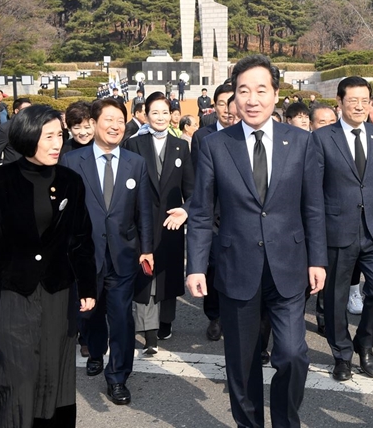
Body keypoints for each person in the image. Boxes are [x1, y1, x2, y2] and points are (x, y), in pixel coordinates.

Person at [186, 54, 327, 428]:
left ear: (276, 94)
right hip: (236, 268)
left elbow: (313, 207)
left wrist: (318, 260)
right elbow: (201, 212)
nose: (251, 99)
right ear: (234, 96)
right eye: (243, 90)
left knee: (294, 354)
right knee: (242, 363)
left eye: (260, 90)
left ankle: (285, 421)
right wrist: (196, 266)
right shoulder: (216, 145)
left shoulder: (301, 142)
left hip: (290, 266)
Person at [0, 105, 96, 427]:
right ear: (27, 136)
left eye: (58, 136)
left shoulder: (70, 181)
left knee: (55, 371)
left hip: (57, 292)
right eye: (47, 137)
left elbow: (80, 239)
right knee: (16, 373)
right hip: (14, 292)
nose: (56, 144)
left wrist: (87, 286)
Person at [60, 98, 154, 405]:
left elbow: (144, 212)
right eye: (108, 120)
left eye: (119, 121)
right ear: (94, 123)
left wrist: (147, 248)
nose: (114, 126)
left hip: (124, 254)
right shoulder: (73, 162)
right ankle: (95, 351)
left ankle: (118, 377)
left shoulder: (135, 162)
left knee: (122, 317)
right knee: (90, 312)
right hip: (85, 255)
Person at [312, 76, 373, 382]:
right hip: (337, 231)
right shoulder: (322, 138)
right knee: (335, 298)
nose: (359, 106)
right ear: (340, 103)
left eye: (364, 100)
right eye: (353, 101)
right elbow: (314, 192)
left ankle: (365, 343)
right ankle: (342, 355)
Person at [124, 92, 194, 351]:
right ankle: (149, 331)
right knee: (146, 273)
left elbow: (191, 187)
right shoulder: (134, 144)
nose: (161, 117)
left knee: (167, 274)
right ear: (145, 114)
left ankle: (166, 319)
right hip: (142, 220)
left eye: (165, 112)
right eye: (155, 112)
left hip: (171, 223)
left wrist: (186, 211)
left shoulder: (181, 146)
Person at [189, 82, 233, 341]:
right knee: (213, 268)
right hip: (214, 218)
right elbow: (199, 183)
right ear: (213, 108)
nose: (228, 110)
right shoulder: (202, 137)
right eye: (221, 104)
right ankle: (214, 316)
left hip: (240, 216)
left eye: (231, 103)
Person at [0, 98, 32, 171]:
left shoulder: (35, 127)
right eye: (26, 109)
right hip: (13, 173)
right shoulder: (5, 129)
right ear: (16, 111)